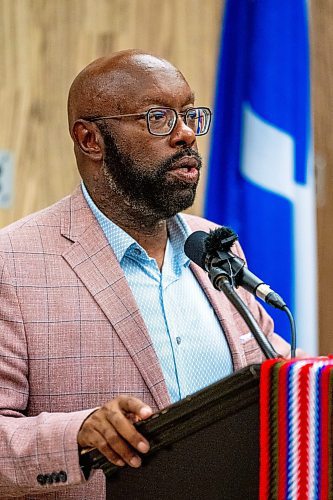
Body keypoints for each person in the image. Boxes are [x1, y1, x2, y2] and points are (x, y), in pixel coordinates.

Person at [0, 49, 290, 499]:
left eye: (189, 114)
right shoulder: (14, 261)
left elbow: (272, 374)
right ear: (90, 139)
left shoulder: (213, 244)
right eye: (158, 118)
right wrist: (78, 433)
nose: (186, 134)